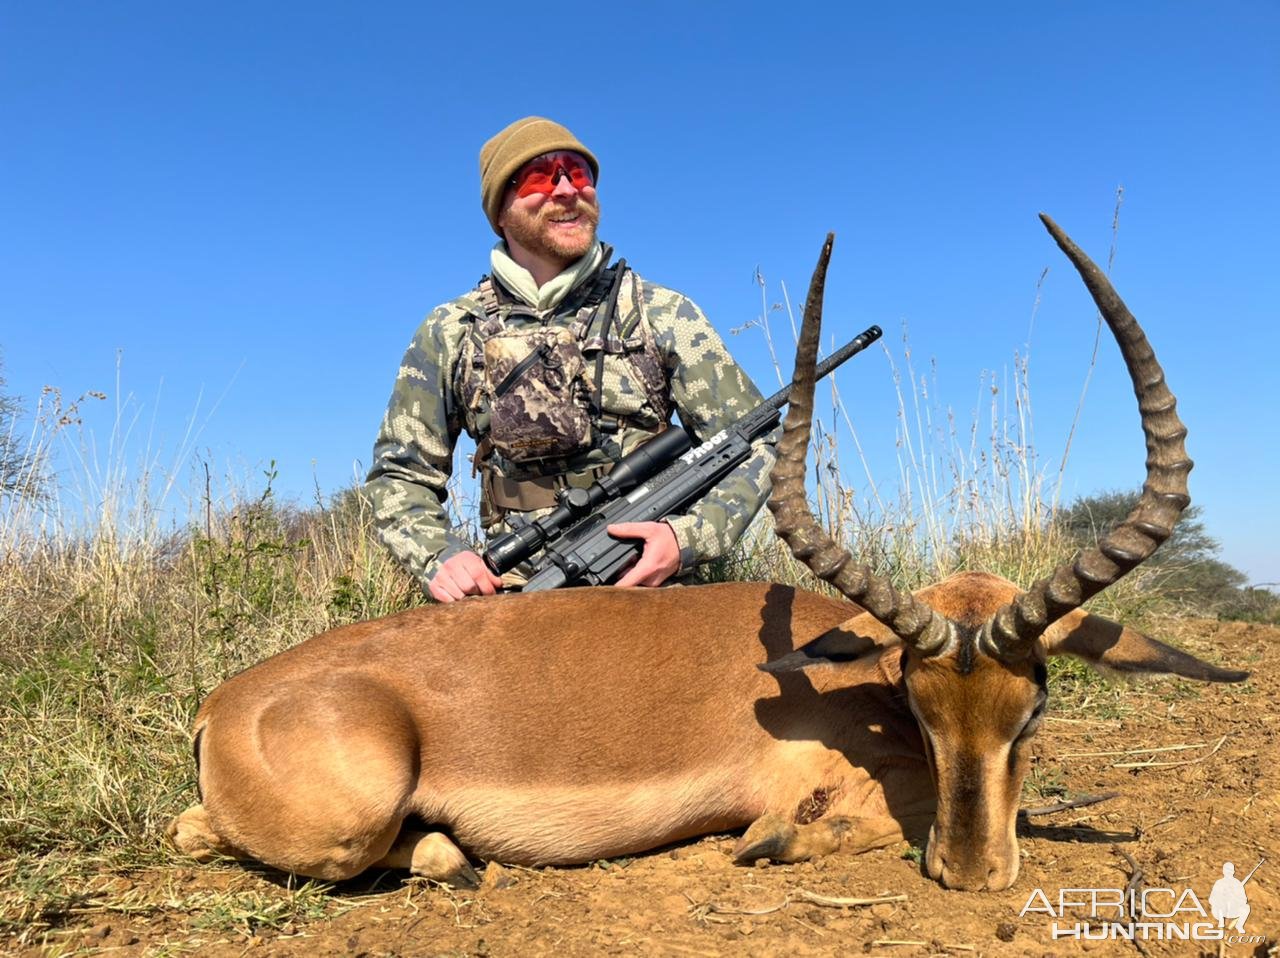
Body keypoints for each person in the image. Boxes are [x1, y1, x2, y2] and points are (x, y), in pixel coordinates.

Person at [366, 117, 776, 602]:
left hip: (650, 587)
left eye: (579, 173)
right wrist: (440, 558)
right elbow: (400, 474)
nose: (566, 190)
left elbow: (756, 442)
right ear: (501, 208)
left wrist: (685, 538)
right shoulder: (451, 330)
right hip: (510, 593)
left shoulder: (661, 312)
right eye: (541, 175)